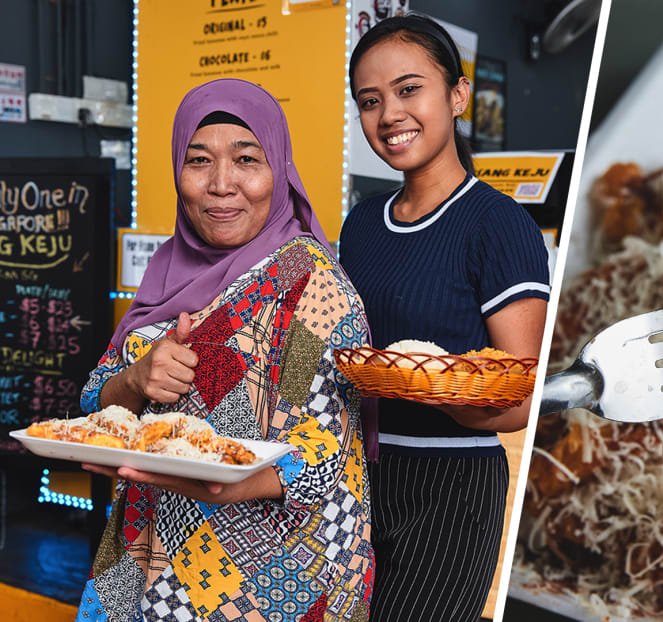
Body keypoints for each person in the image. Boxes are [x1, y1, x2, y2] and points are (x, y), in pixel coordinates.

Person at [77, 78, 374, 622]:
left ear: (278, 169)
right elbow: (96, 402)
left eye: (245, 160)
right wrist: (136, 379)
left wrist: (234, 481)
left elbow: (324, 452)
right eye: (199, 161)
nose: (220, 184)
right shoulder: (167, 269)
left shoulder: (309, 289)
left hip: (267, 578)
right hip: (142, 557)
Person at [339, 14, 549, 622]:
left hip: (452, 486)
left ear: (458, 95)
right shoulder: (361, 224)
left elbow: (519, 398)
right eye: (370, 101)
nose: (390, 116)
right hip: (354, 477)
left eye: (410, 90)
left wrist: (427, 384)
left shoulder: (498, 223)